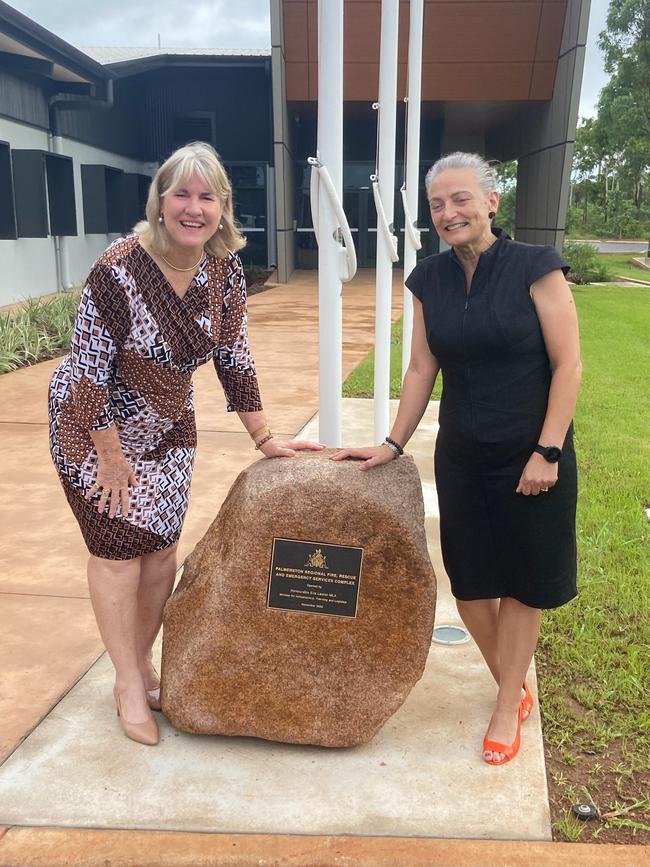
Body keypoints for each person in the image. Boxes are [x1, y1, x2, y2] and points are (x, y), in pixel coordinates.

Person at [48, 141, 323, 746]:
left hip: (169, 425)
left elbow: (233, 355)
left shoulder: (223, 268)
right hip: (93, 426)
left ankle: (143, 664)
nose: (193, 208)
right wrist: (110, 455)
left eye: (207, 196)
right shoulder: (116, 269)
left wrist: (265, 436)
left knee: (161, 556)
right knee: (119, 553)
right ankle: (127, 683)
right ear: (161, 200)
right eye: (182, 194)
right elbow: (90, 369)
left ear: (223, 206)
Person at [332, 152, 581, 765]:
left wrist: (547, 450)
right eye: (438, 203)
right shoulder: (428, 280)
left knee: (523, 583)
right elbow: (421, 367)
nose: (449, 212)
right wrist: (393, 443)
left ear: (492, 202)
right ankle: (511, 682)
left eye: (461, 199)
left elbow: (567, 365)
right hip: (463, 453)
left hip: (532, 452)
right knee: (470, 584)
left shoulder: (535, 268)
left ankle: (505, 704)